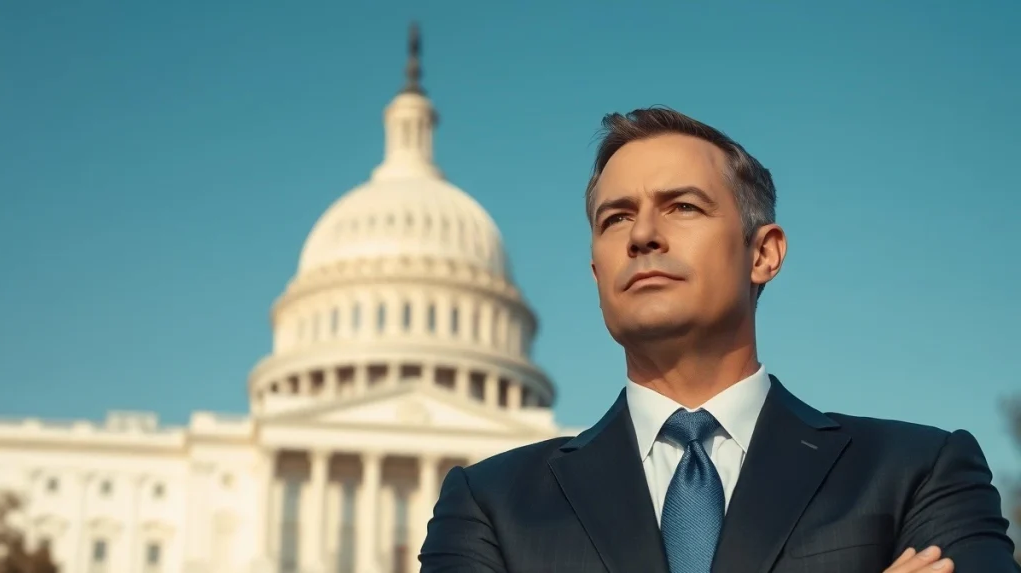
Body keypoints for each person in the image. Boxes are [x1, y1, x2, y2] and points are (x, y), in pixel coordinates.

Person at [419, 107, 1018, 572]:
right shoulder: (490, 505)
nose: (643, 234)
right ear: (597, 273)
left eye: (681, 206)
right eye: (616, 218)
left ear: (763, 253)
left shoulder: (918, 473)